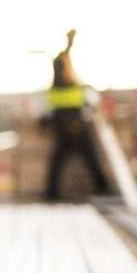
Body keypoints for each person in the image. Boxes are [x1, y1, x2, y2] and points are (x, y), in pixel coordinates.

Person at [43, 28, 110, 200]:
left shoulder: (64, 81)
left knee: (63, 157)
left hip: (64, 118)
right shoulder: (61, 70)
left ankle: (52, 193)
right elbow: (64, 55)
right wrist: (69, 42)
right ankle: (102, 186)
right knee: (85, 154)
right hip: (71, 120)